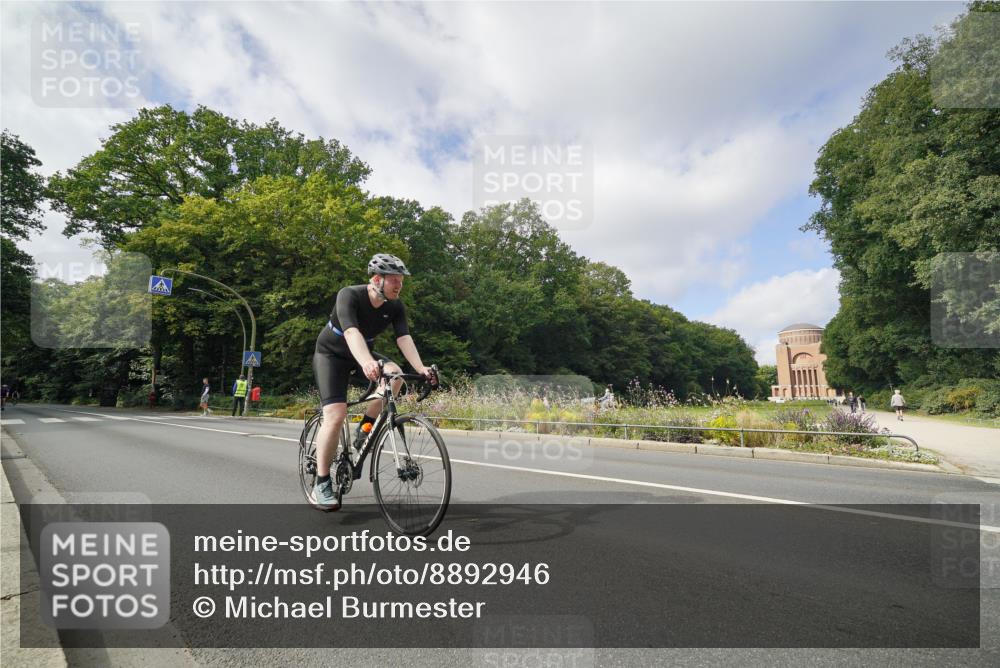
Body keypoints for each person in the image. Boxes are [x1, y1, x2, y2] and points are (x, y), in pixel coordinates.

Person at [311, 253, 437, 510]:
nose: (398, 285)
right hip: (332, 355)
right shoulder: (349, 295)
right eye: (394, 280)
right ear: (377, 280)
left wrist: (421, 368)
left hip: (363, 354)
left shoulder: (395, 306)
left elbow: (404, 338)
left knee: (396, 375)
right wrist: (367, 362)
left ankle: (365, 428)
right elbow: (351, 331)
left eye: (401, 280)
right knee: (335, 415)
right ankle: (321, 482)